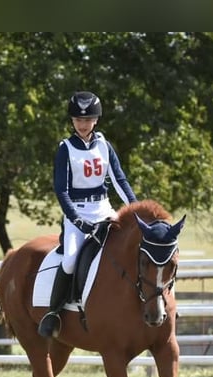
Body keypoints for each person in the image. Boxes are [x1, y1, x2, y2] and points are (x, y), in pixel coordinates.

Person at [38, 90, 138, 338]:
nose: (83, 125)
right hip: (78, 213)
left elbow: (119, 180)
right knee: (70, 259)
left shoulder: (104, 145)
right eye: (78, 120)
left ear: (96, 120)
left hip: (104, 209)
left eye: (88, 120)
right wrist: (77, 220)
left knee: (132, 248)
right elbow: (62, 191)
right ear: (72, 121)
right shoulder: (66, 148)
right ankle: (54, 312)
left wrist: (136, 209)